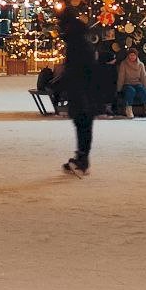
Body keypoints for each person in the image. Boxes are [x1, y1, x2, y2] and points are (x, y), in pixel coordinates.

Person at [57, 10, 96, 175]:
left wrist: (62, 84)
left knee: (83, 124)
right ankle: (81, 157)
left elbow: (76, 69)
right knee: (82, 124)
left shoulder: (77, 44)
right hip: (82, 90)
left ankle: (83, 160)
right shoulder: (79, 41)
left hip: (82, 91)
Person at [116, 47, 146, 117]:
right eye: (131, 55)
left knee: (142, 89)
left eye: (134, 55)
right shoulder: (124, 64)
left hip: (137, 83)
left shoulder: (140, 64)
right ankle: (129, 109)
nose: (132, 57)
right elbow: (121, 77)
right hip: (127, 84)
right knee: (131, 90)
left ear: (136, 56)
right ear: (128, 55)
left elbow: (143, 77)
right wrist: (119, 89)